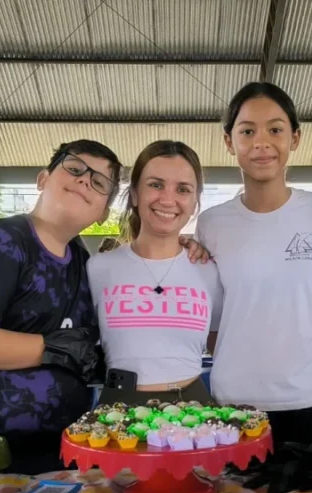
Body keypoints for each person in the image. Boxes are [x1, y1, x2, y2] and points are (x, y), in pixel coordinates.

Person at [0, 140, 121, 474]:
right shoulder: (0, 240)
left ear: (103, 212)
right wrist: (57, 350)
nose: (85, 180)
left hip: (55, 449)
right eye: (75, 169)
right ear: (43, 179)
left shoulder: (81, 261)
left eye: (99, 182)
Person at [195, 82, 312, 447]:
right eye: (247, 131)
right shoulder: (211, 223)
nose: (261, 142)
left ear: (295, 137)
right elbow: (215, 319)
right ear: (229, 142)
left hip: (309, 397)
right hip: (235, 402)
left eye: (275, 129)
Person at [88, 141, 222, 406]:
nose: (168, 199)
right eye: (156, 184)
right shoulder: (98, 268)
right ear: (135, 194)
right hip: (119, 405)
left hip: (194, 409)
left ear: (195, 203)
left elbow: (221, 343)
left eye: (183, 189)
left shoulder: (210, 271)